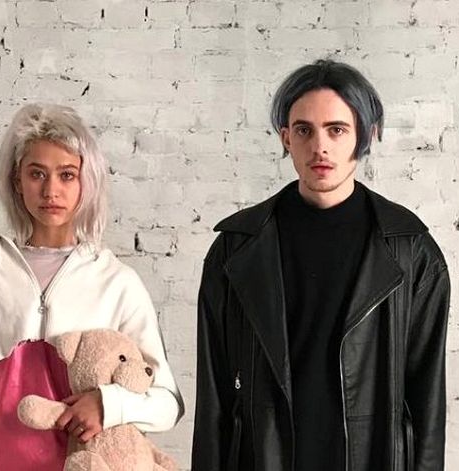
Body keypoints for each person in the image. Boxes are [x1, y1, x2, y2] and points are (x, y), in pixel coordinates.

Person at [192, 59, 449, 471]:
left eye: (337, 129)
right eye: (304, 130)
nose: (320, 147)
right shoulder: (236, 249)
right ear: (285, 138)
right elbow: (213, 400)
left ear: (366, 134)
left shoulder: (411, 251)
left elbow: (426, 401)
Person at [0, 103, 183, 470]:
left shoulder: (117, 282)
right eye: (36, 174)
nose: (51, 190)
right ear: (17, 181)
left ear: (86, 182)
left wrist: (108, 404)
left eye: (67, 175)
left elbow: (167, 403)